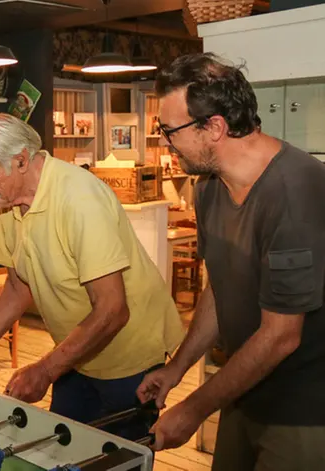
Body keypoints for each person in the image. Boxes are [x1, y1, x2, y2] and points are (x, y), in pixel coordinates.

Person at [137, 53, 325, 470]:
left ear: (214, 127)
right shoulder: (208, 188)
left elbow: (281, 336)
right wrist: (177, 369)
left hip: (304, 412)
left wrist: (194, 408)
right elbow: (220, 288)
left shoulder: (294, 191)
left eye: (170, 131)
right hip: (245, 392)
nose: (166, 143)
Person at [0, 112, 184, 440]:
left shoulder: (78, 198)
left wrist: (45, 370)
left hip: (128, 355)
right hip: (76, 352)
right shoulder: (10, 204)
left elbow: (112, 310)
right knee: (65, 448)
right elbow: (19, 286)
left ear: (21, 160)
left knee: (119, 457)